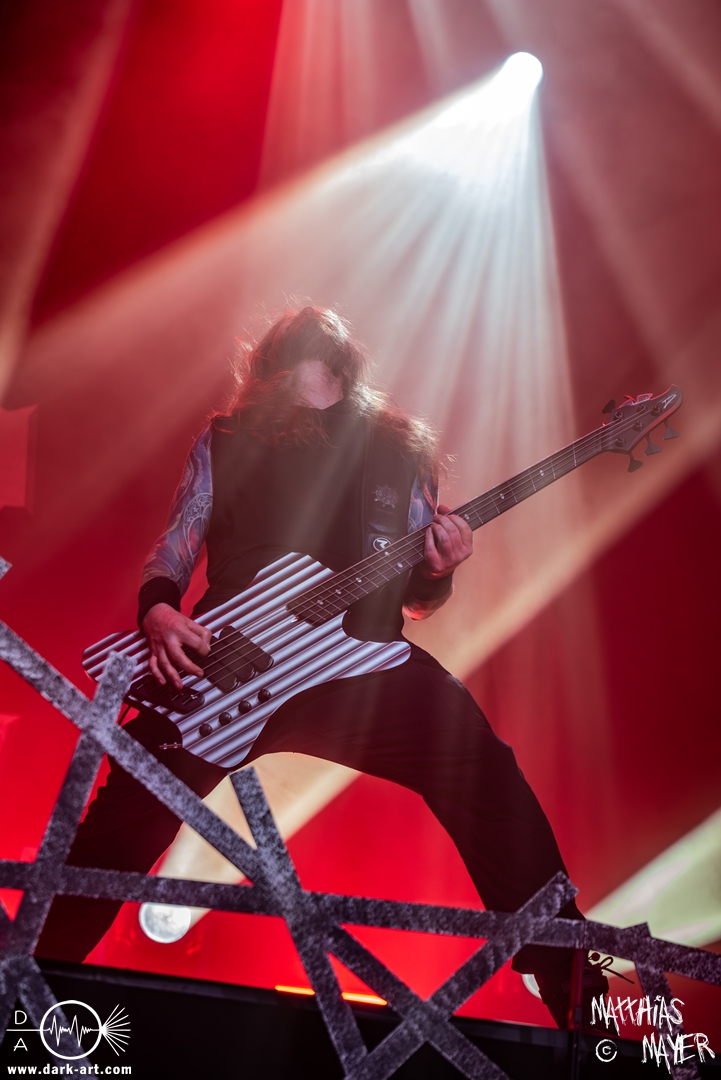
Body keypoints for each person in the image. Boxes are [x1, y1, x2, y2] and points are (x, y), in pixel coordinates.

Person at [37, 306, 606, 1027]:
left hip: (360, 666)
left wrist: (441, 566)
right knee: (122, 825)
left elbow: (418, 593)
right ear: (267, 365)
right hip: (229, 662)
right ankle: (28, 980)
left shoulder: (397, 449)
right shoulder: (229, 438)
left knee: (485, 773)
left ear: (344, 366)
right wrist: (158, 610)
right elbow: (178, 540)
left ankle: (571, 984)